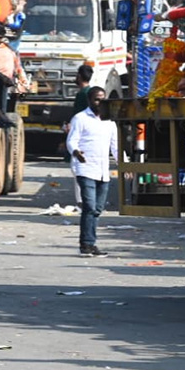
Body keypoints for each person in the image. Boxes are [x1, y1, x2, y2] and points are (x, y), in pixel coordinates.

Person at [66, 86, 118, 257]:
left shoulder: (110, 122)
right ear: (89, 100)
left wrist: (125, 165)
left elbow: (116, 147)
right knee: (89, 207)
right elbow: (71, 141)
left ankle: (90, 243)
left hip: (103, 171)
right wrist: (75, 152)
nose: (100, 102)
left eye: (103, 99)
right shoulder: (80, 118)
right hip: (85, 168)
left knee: (97, 209)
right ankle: (87, 244)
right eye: (97, 99)